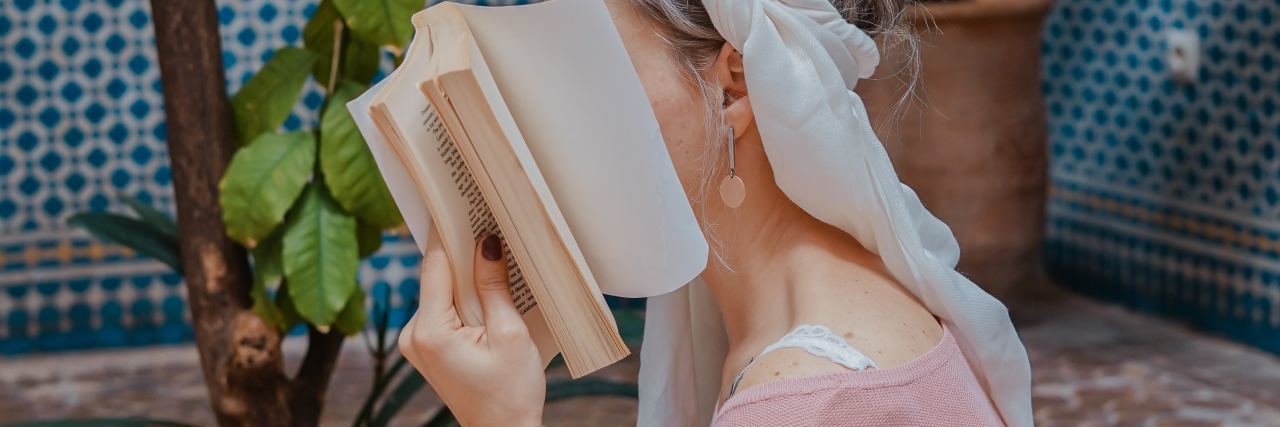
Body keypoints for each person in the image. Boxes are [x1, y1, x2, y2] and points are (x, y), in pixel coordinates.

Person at [397, 0, 1033, 426]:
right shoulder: (836, 301)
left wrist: (502, 419)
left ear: (737, 84)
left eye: (597, 68)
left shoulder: (800, 400)